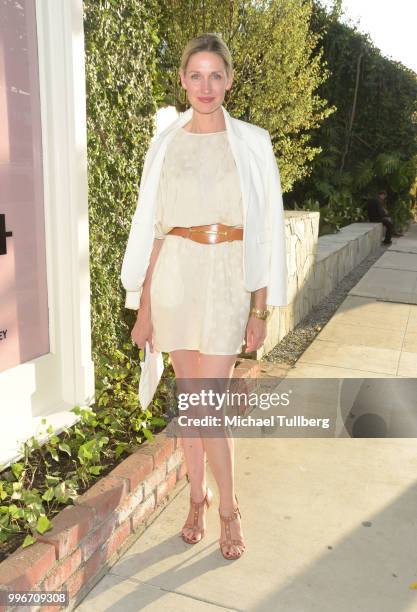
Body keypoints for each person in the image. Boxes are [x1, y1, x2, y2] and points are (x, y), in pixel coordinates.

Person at [120, 33, 288, 560]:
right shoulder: (165, 142)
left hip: (229, 279)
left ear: (229, 81)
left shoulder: (253, 143)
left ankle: (229, 508)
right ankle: (196, 498)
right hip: (174, 278)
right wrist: (144, 307)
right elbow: (153, 229)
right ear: (183, 80)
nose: (206, 85)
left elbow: (265, 229)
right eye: (196, 75)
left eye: (216, 75)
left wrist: (260, 306)